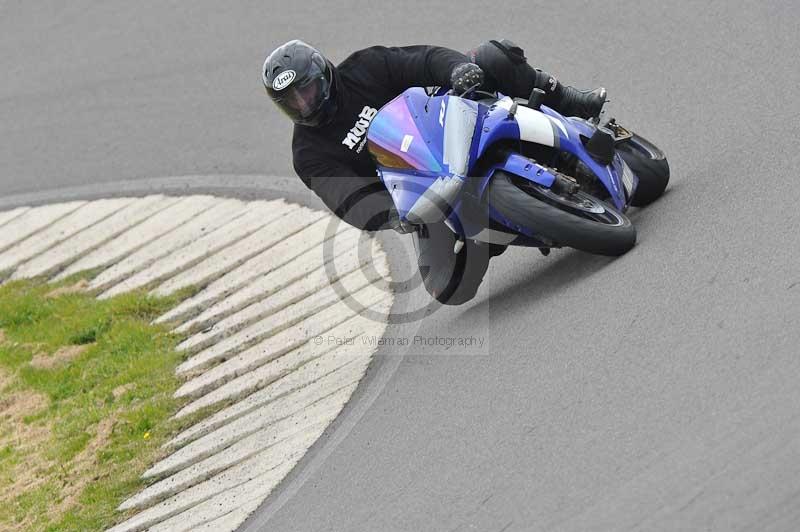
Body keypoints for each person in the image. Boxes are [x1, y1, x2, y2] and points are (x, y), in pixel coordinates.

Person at [263, 39, 606, 305]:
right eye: (291, 102)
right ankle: (485, 237)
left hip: (453, 128)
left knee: (492, 55)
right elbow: (346, 198)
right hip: (422, 192)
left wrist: (457, 70)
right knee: (445, 286)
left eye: (306, 91)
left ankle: (569, 100)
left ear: (324, 75)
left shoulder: (364, 67)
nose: (304, 105)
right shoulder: (308, 154)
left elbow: (422, 59)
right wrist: (389, 215)